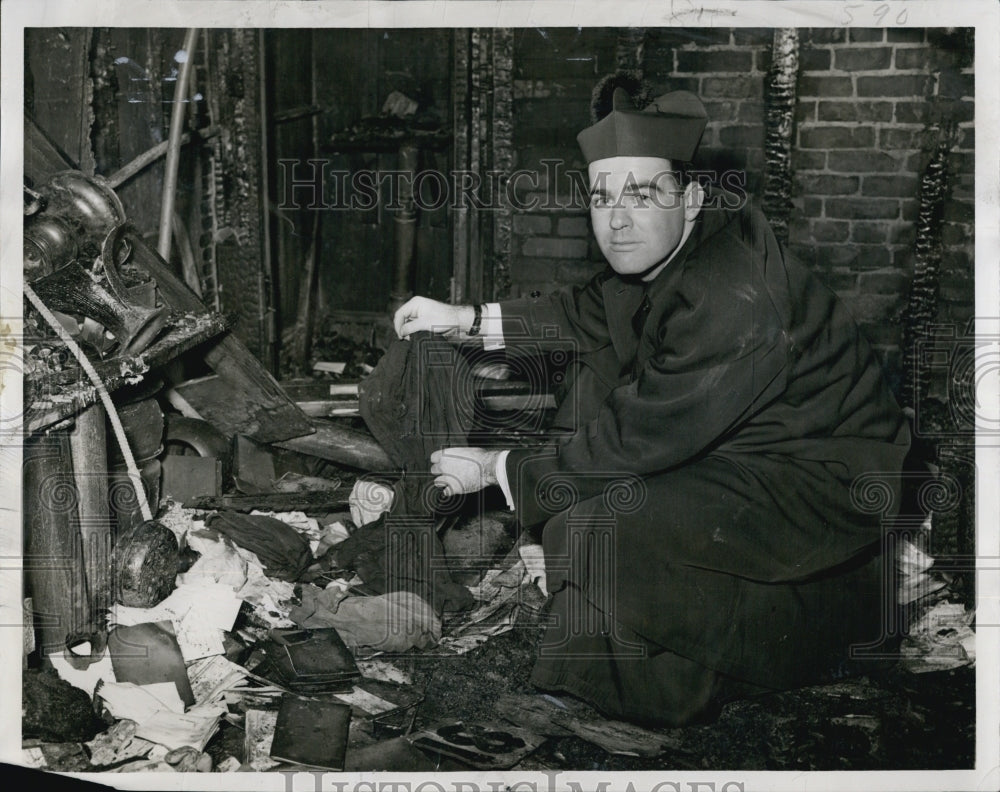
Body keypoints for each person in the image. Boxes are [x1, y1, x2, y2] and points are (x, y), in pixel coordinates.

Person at [391, 87, 911, 727]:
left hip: (819, 485)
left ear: (690, 201)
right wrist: (462, 318)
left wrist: (497, 470)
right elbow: (578, 313)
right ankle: (607, 646)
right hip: (744, 450)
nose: (616, 219)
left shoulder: (732, 294)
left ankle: (682, 679)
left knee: (600, 516)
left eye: (641, 195)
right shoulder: (683, 253)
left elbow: (635, 439)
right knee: (587, 415)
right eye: (602, 196)